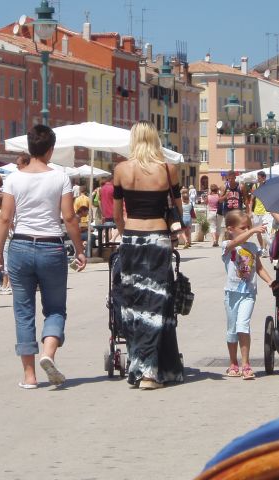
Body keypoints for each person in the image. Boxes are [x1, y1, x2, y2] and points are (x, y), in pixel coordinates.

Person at [0, 125, 86, 389]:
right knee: (55, 308)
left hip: (20, 246)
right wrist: (80, 250)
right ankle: (48, 353)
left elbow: (5, 218)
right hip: (51, 247)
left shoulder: (13, 179)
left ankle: (29, 377)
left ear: (30, 147)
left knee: (23, 312)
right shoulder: (60, 178)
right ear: (50, 150)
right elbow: (69, 217)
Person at [112, 120, 185, 389]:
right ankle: (150, 373)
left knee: (134, 303)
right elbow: (178, 209)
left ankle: (139, 364)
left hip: (132, 237)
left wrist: (127, 233)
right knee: (156, 302)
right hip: (158, 237)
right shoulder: (168, 169)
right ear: (155, 139)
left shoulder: (121, 170)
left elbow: (117, 215)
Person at [221, 210, 273, 379]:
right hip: (232, 294)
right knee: (232, 330)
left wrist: (270, 281)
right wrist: (252, 231)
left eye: (248, 227)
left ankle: (246, 364)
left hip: (248, 293)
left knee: (243, 325)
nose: (247, 230)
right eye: (243, 228)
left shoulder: (252, 248)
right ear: (230, 229)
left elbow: (259, 268)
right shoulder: (228, 245)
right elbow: (236, 241)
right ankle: (233, 363)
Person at [248, 171, 273, 257]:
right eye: (257, 178)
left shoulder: (268, 186)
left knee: (264, 231)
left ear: (264, 178)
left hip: (266, 212)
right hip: (256, 211)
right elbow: (251, 200)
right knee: (258, 232)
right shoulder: (255, 186)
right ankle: (262, 247)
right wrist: (250, 211)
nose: (258, 179)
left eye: (259, 178)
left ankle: (264, 249)